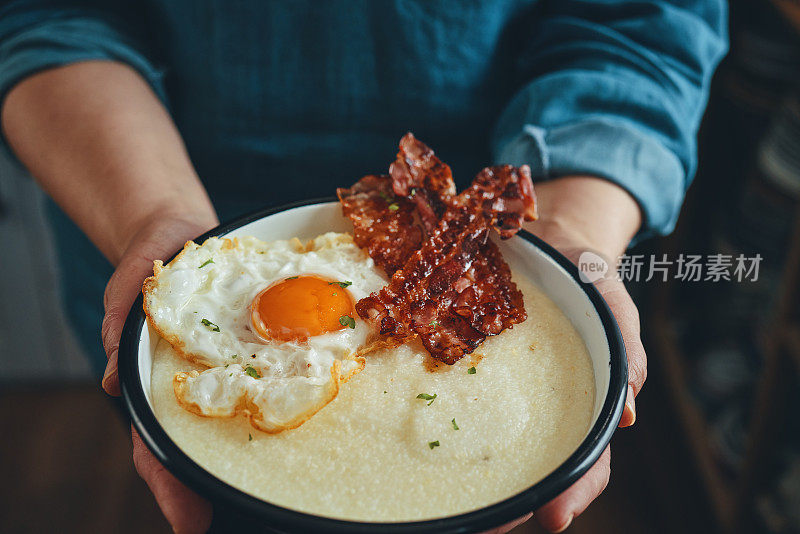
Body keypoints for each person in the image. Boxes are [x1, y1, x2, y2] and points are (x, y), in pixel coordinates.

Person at [0, 1, 726, 532]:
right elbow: (47, 17)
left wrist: (569, 230)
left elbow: (641, 27)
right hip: (141, 187)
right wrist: (152, 217)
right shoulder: (201, 306)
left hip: (496, 233)